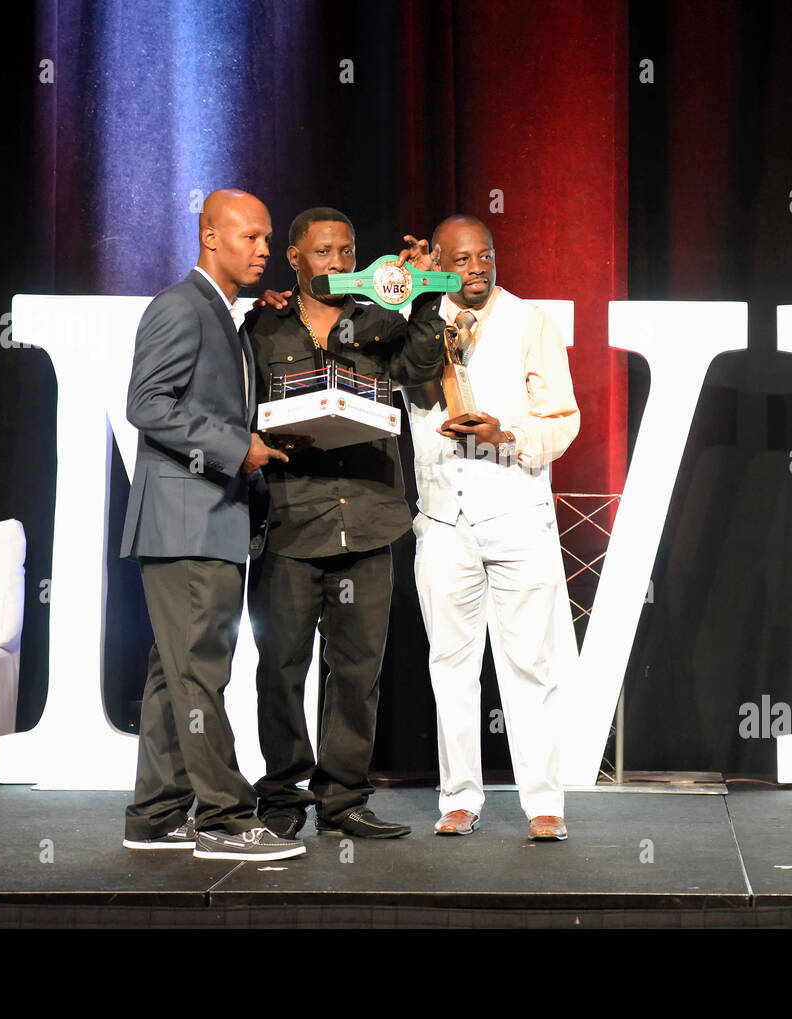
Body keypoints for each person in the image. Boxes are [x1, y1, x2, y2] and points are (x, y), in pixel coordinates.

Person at [245, 207, 445, 839]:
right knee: (281, 668)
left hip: (369, 517)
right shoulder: (263, 326)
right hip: (292, 521)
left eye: (346, 251)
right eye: (323, 251)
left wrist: (422, 298)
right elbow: (236, 403)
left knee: (358, 670)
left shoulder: (377, 319)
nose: (336, 262)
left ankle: (343, 801)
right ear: (296, 259)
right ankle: (281, 799)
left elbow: (421, 373)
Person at [119, 188, 304, 862]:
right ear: (209, 237)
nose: (262, 249)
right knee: (200, 670)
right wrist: (236, 446)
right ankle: (225, 818)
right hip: (187, 521)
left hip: (205, 520)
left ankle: (154, 814)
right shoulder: (180, 306)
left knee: (175, 674)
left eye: (266, 236)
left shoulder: (223, 315)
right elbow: (146, 404)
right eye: (250, 237)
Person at [403, 214, 580, 841]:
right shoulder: (416, 322)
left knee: (530, 662)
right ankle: (459, 797)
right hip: (443, 517)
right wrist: (411, 287)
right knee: (450, 661)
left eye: (486, 256)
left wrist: (507, 433)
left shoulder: (530, 322)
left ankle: (543, 802)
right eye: (461, 259)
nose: (476, 268)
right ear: (438, 263)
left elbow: (563, 420)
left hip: (516, 513)